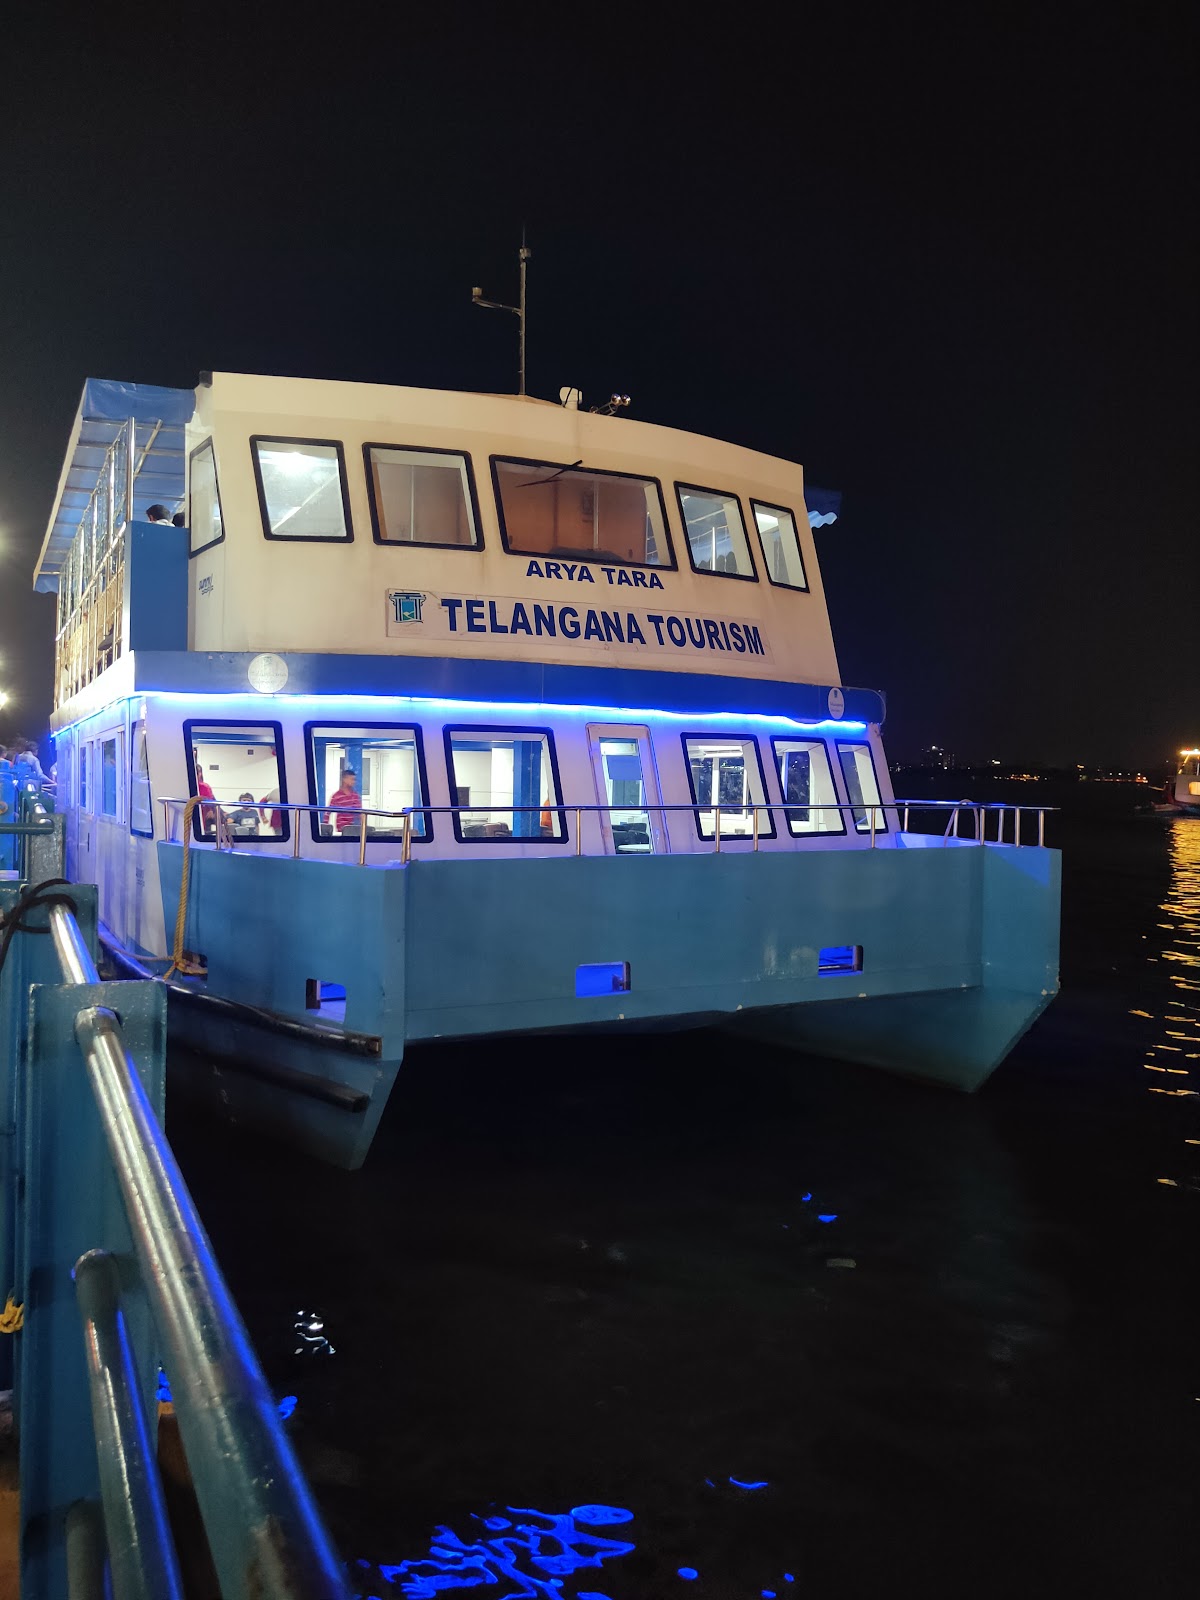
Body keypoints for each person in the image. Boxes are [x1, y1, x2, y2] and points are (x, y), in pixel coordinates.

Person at [323, 768, 362, 836]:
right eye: (352, 779)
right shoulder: (337, 796)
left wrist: (363, 826)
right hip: (342, 829)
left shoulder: (355, 795)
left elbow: (360, 813)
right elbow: (328, 813)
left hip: (354, 828)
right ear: (344, 779)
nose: (354, 782)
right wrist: (324, 830)